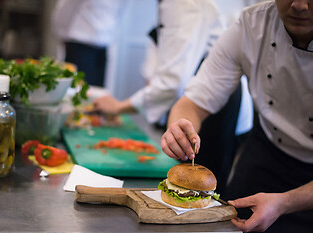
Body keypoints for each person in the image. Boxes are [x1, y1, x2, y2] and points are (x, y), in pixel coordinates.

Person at [160, 0, 313, 233]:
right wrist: (179, 126)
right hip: (265, 156)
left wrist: (285, 202)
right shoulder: (251, 24)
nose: (299, 6)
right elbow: (193, 102)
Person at [92, 0, 253, 194]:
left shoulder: (183, 4)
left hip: (214, 107)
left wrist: (118, 107)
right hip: (199, 101)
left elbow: (172, 83)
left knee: (203, 191)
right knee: (186, 186)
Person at [52, 0, 126, 87]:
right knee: (76, 87)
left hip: (103, 45)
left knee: (96, 89)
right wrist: (61, 33)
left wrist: (111, 36)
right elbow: (65, 8)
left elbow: (118, 12)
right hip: (80, 43)